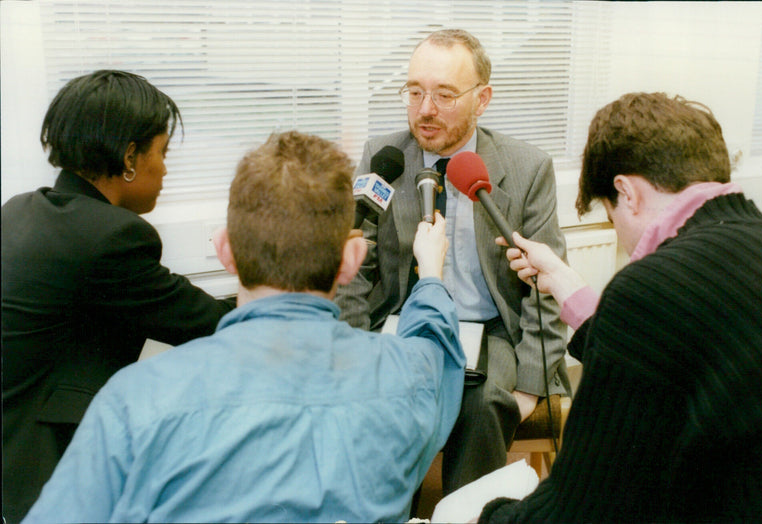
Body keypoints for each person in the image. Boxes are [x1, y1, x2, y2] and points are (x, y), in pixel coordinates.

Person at [22, 130, 466, 523]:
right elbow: (437, 345)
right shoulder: (413, 377)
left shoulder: (132, 401)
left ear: (224, 250)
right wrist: (430, 275)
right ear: (352, 261)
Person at [480, 92, 762, 522]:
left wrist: (489, 516)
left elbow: (582, 511)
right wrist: (566, 284)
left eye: (611, 218)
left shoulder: (651, 290)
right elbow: (676, 357)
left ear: (626, 193)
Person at [334, 28, 570, 494]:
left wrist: (528, 385)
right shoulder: (382, 158)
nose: (424, 110)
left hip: (491, 327)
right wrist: (353, 357)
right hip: (401, 322)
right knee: (383, 404)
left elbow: (546, 285)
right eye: (415, 91)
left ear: (482, 99)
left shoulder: (528, 168)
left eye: (444, 95)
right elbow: (356, 267)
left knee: (483, 407)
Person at [1, 70, 236, 523]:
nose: (165, 170)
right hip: (58, 481)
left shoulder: (21, 211)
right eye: (162, 153)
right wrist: (281, 282)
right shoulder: (111, 238)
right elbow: (206, 325)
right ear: (130, 157)